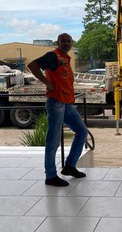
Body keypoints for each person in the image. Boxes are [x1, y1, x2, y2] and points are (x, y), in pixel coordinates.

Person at [27, 33, 87, 187]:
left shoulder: (65, 59)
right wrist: (47, 83)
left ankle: (69, 166)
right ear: (58, 42)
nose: (66, 43)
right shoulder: (53, 56)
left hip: (66, 103)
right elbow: (32, 66)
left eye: (69, 41)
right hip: (56, 103)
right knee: (53, 140)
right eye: (63, 41)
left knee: (82, 131)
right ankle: (51, 175)